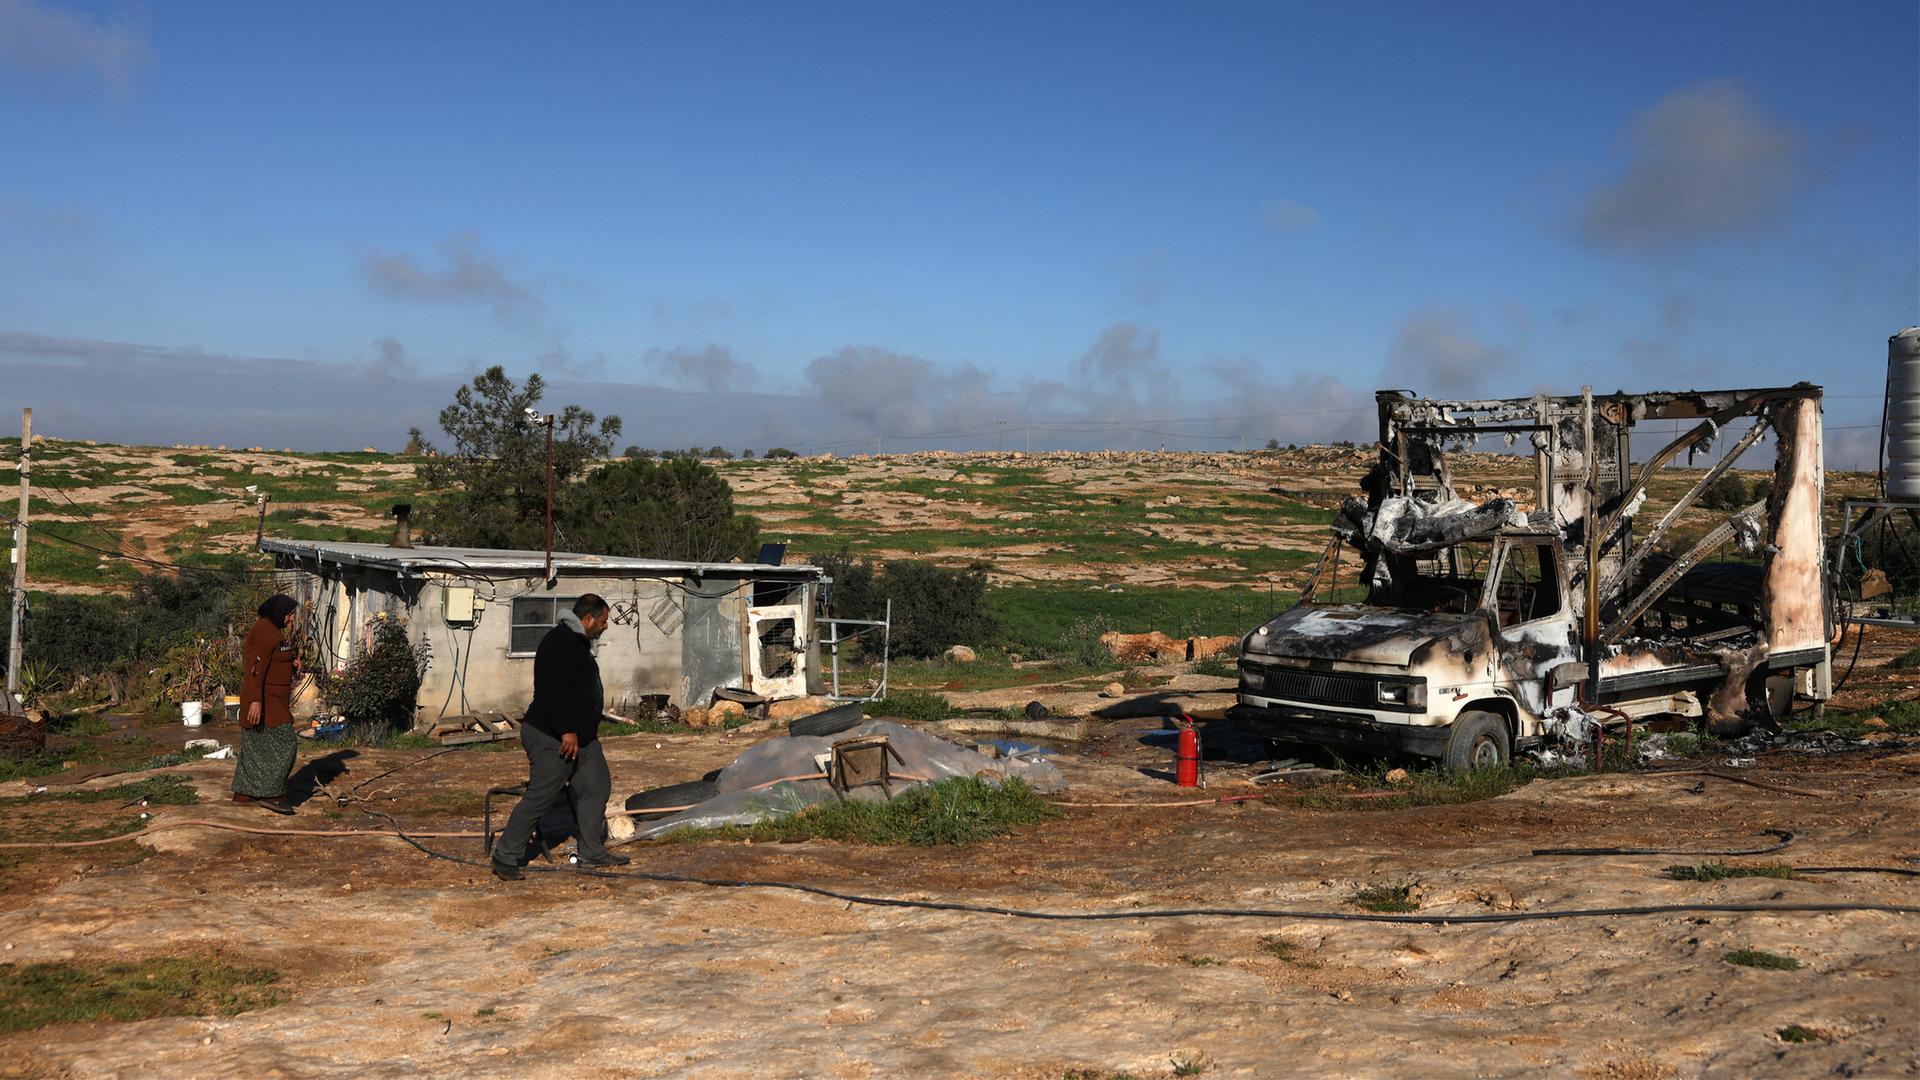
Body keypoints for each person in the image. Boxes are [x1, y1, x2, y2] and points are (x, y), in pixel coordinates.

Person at [491, 593, 629, 880]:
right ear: (588, 619)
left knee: (596, 785)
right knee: (542, 795)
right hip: (551, 735)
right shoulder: (560, 643)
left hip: (582, 739)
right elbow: (553, 691)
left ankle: (592, 852)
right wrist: (567, 729)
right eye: (603, 621)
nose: (605, 627)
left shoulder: (578, 643)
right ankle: (506, 855)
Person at [232, 594, 301, 815]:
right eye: (289, 614)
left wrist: (292, 664)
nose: (291, 619)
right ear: (279, 612)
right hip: (266, 701)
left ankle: (245, 793)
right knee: (286, 742)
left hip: (274, 699)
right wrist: (255, 702)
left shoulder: (273, 631)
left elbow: (275, 661)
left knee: (255, 745)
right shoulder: (264, 632)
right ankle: (273, 795)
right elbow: (255, 670)